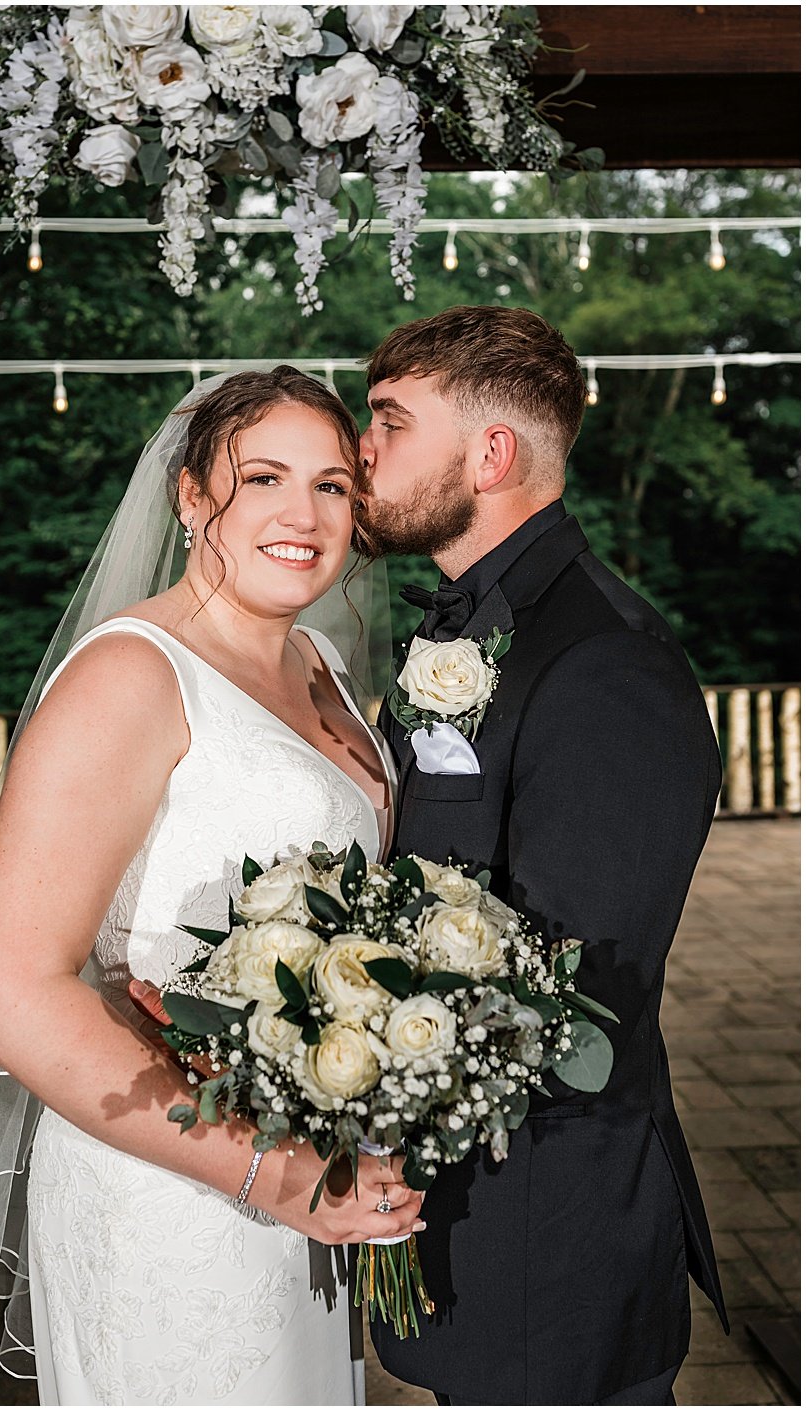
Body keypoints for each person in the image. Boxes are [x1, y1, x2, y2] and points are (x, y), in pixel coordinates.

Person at [0, 367, 423, 1406]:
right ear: (190, 497)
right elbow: (10, 992)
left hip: (309, 1174)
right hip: (173, 1177)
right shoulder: (129, 674)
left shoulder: (320, 658)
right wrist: (270, 1173)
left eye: (332, 484)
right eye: (264, 477)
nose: (304, 513)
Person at [358, 305, 726, 1405]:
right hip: (460, 1205)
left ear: (491, 453)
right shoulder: (460, 628)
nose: (358, 446)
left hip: (551, 1227)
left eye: (388, 420)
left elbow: (575, 999)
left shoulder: (607, 662)